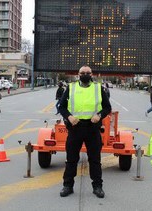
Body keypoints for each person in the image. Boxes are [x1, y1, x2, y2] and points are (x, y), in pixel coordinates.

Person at [58, 65, 112, 198]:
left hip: (92, 128)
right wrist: (69, 117)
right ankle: (67, 186)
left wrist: (99, 115)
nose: (85, 75)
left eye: (88, 73)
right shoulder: (71, 88)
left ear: (92, 74)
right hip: (75, 128)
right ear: (78, 74)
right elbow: (61, 106)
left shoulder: (98, 88)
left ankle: (98, 187)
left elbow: (107, 107)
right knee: (71, 159)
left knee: (95, 160)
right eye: (83, 73)